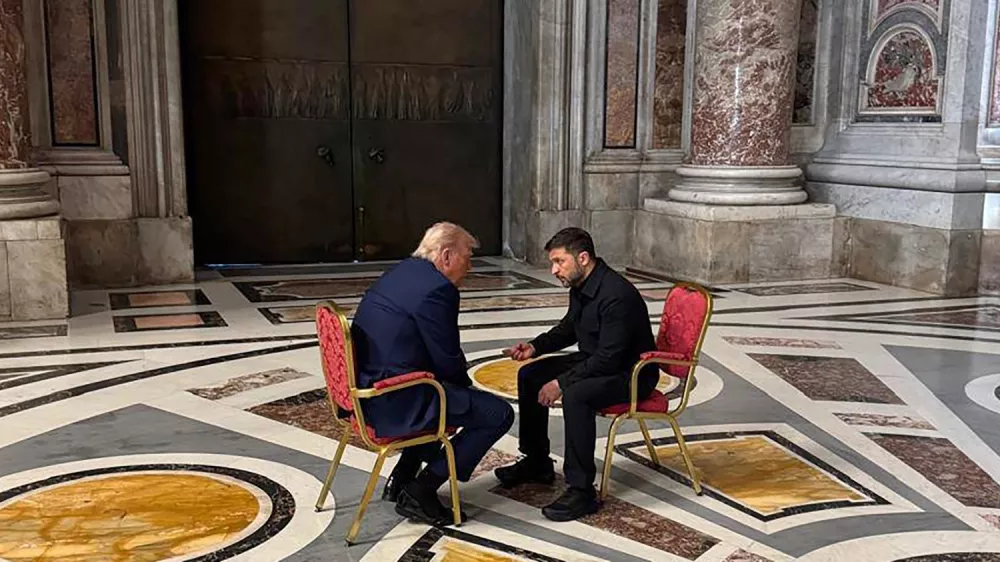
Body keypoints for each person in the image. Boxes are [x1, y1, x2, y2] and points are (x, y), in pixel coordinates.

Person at [350, 222, 514, 525]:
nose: (470, 266)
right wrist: (468, 394)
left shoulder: (402, 272)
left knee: (444, 393)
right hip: (395, 401)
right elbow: (448, 357)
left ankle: (401, 477)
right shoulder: (438, 289)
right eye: (468, 257)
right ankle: (421, 489)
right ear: (447, 255)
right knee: (497, 414)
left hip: (367, 392)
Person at [494, 227, 658, 521]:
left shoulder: (616, 296)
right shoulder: (582, 285)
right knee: (530, 375)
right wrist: (535, 347)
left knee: (577, 395)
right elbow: (570, 328)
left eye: (559, 262)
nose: (554, 269)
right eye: (553, 263)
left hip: (630, 374)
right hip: (598, 361)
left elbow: (610, 359)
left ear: (583, 258)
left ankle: (582, 490)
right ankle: (536, 461)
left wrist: (561, 383)